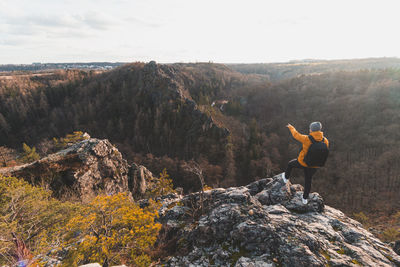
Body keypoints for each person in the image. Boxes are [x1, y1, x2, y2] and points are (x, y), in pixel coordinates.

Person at [280, 122, 329, 204]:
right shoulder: (325, 140)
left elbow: (296, 135)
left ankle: (285, 178)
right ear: (320, 130)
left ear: (311, 129)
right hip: (314, 165)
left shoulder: (307, 138)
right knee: (308, 181)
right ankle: (305, 199)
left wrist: (291, 127)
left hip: (303, 162)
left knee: (290, 164)